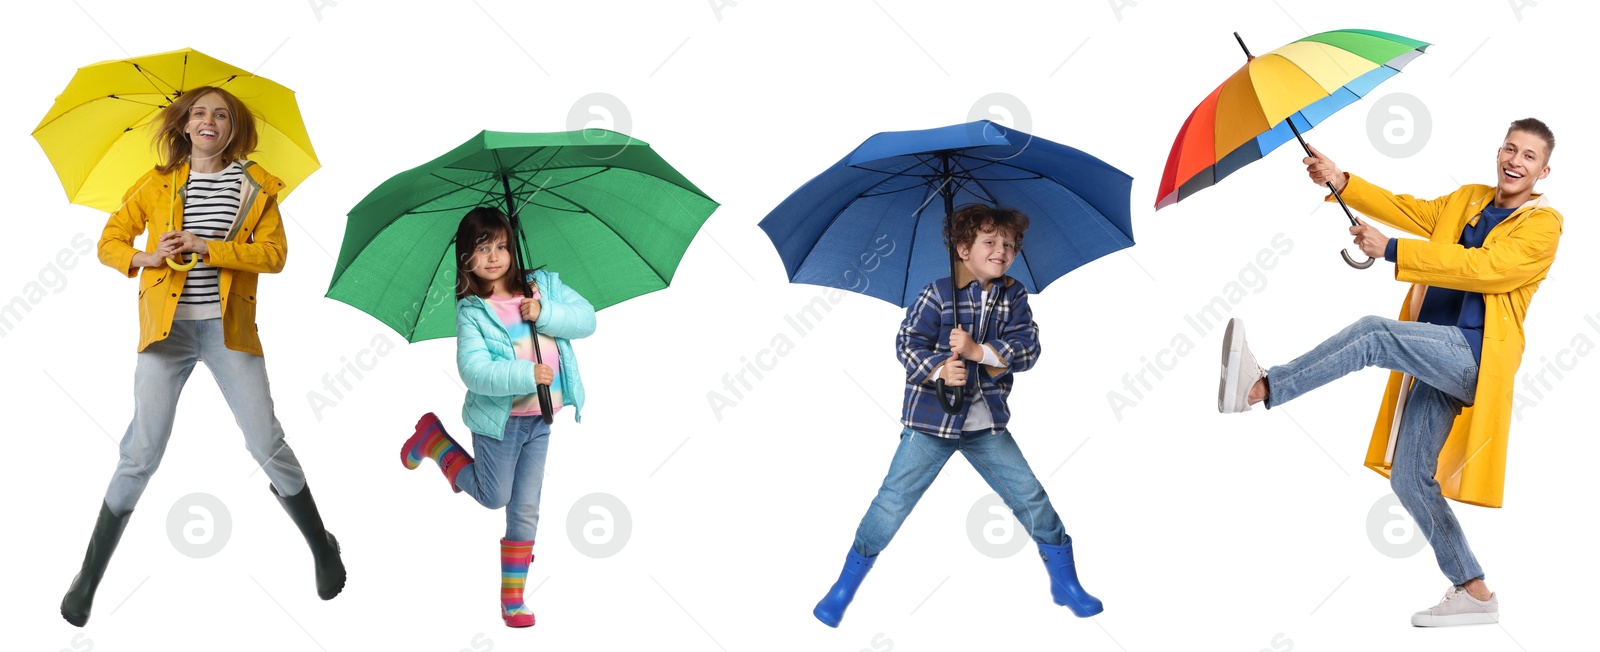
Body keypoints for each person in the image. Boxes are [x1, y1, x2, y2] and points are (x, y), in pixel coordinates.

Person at [1217, 119, 1562, 626]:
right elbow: (1406, 209)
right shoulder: (1469, 199)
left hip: (1475, 357)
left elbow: (1486, 269)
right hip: (1435, 353)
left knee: (1375, 335)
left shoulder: (1543, 224)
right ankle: (1475, 591)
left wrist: (1393, 250)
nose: (1515, 161)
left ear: (1543, 170)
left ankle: (1260, 387)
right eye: (1510, 148)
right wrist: (1340, 180)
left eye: (1529, 156)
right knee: (1408, 478)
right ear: (1498, 151)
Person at [64, 86, 345, 627]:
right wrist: (149, 255)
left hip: (227, 329)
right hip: (165, 332)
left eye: (221, 114)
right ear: (184, 126)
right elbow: (110, 240)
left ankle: (322, 545)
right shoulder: (158, 182)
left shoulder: (256, 186)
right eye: (199, 113)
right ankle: (88, 577)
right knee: (140, 452)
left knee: (265, 440)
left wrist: (206, 246)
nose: (209, 120)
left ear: (233, 128)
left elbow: (275, 255)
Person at [811, 204, 1102, 628]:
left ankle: (1065, 582)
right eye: (990, 242)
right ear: (963, 249)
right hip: (931, 425)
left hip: (987, 426)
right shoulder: (936, 292)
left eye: (1009, 244)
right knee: (891, 503)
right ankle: (844, 586)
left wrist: (978, 353)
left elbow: (1028, 349)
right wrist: (938, 367)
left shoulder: (1014, 295)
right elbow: (907, 343)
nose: (1002, 250)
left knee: (1030, 497)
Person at [401, 206, 595, 627]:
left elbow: (586, 320)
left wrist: (544, 312)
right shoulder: (473, 310)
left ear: (512, 247)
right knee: (494, 497)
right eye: (481, 248)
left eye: (501, 246)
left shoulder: (543, 287)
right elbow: (474, 371)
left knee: (525, 508)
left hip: (541, 420)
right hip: (499, 423)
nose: (494, 257)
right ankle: (435, 441)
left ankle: (513, 600)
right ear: (465, 258)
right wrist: (526, 373)